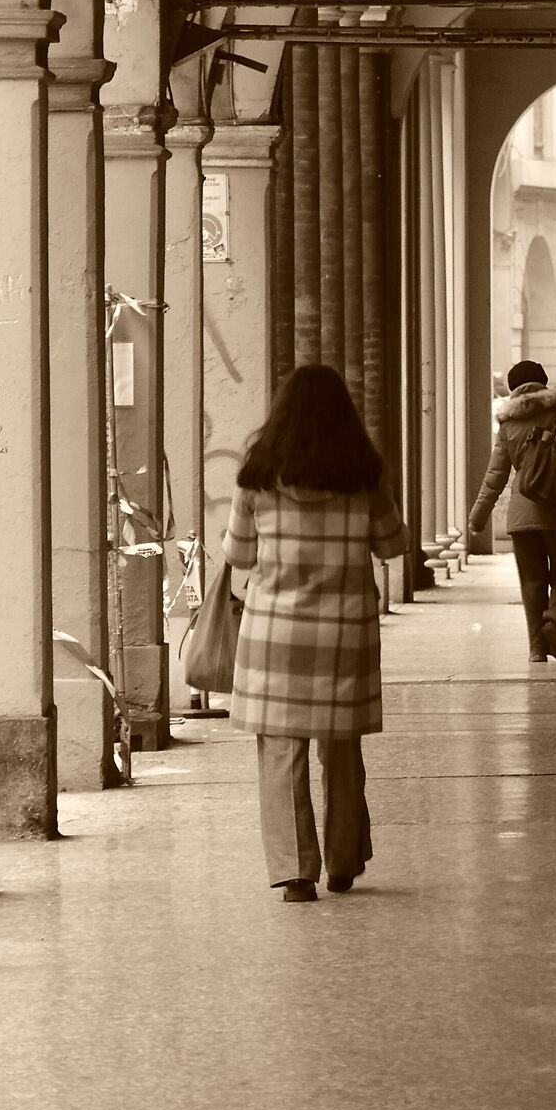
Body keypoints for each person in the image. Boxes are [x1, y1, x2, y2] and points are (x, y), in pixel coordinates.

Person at [223, 364, 406, 903]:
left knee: (280, 751)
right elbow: (392, 545)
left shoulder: (258, 474)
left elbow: (238, 554)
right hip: (344, 630)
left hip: (275, 634)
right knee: (342, 748)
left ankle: (294, 872)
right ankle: (344, 860)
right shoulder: (362, 472)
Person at [467, 360, 556, 664]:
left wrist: (478, 517)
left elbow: (495, 476)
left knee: (532, 581)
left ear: (513, 389)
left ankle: (537, 649)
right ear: (544, 382)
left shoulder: (508, 424)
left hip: (523, 515)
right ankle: (554, 619)